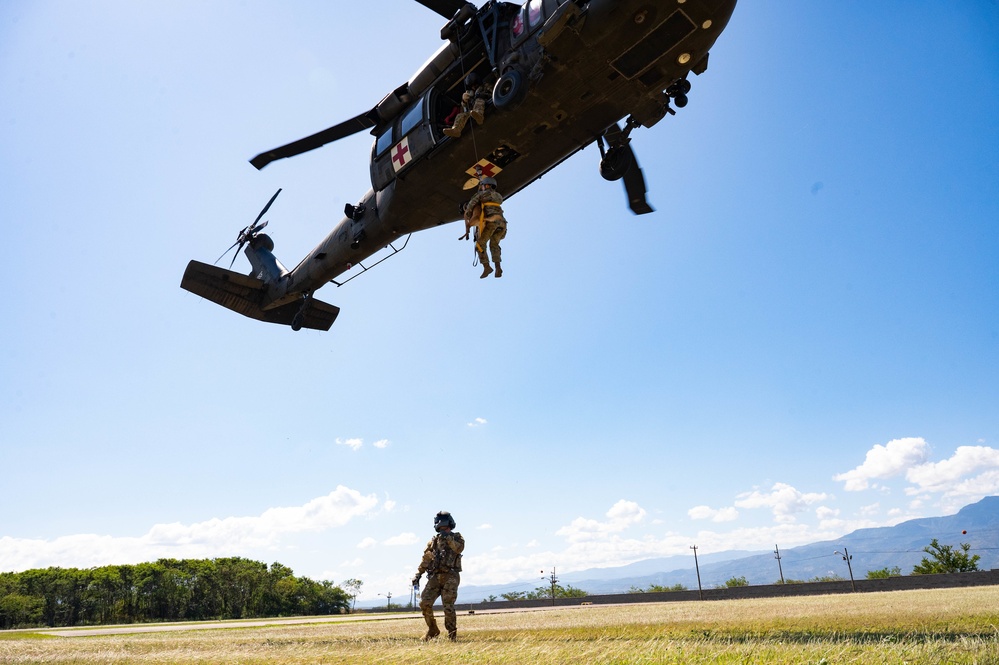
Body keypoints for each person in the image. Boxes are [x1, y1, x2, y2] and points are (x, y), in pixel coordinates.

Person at [412, 511, 465, 641]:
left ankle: (452, 635)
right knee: (424, 602)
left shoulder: (457, 537)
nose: (442, 530)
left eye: (445, 527)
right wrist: (418, 574)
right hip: (435, 577)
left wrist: (448, 538)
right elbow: (426, 559)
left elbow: (458, 549)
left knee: (448, 606)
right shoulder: (433, 542)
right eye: (440, 528)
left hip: (450, 576)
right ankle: (433, 629)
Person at [460, 176, 507, 278]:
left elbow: (471, 205)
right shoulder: (498, 196)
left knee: (480, 244)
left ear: (487, 185)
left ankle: (487, 267)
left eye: (482, 185)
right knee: (494, 245)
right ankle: (498, 267)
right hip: (502, 224)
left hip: (492, 222)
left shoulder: (481, 194)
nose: (481, 187)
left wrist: (467, 214)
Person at [444, 73, 487, 138]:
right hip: (473, 113)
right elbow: (464, 106)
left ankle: (479, 116)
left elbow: (495, 92)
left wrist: (483, 95)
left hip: (485, 104)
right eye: (472, 86)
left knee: (479, 101)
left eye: (475, 84)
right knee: (460, 115)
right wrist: (464, 100)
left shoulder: (486, 86)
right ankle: (456, 130)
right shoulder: (470, 93)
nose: (474, 87)